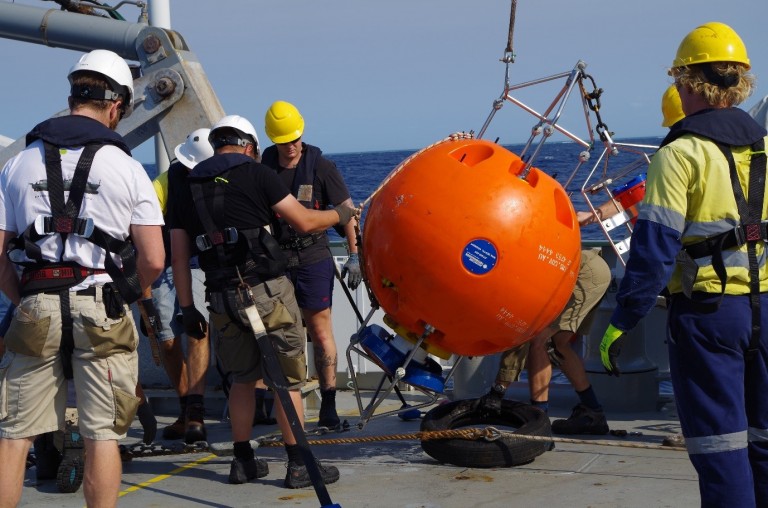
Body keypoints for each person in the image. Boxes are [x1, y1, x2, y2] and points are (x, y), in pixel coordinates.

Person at [599, 22, 768, 506]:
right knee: (764, 444)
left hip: (710, 319)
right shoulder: (766, 148)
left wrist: (623, 321)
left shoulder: (678, 156)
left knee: (722, 449)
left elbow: (653, 252)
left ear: (689, 83)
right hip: (767, 310)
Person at [0, 49, 164, 507]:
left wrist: (24, 295)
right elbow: (154, 258)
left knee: (15, 436)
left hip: (35, 303)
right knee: (102, 436)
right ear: (116, 105)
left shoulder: (18, 164)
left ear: (73, 94)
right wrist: (122, 296)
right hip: (101, 303)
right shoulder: (129, 169)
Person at [167, 114, 356, 488]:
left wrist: (188, 309)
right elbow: (302, 221)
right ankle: (298, 465)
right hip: (267, 292)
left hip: (220, 298)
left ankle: (243, 463)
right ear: (251, 147)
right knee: (286, 381)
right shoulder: (258, 174)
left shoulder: (187, 184)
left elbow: (177, 256)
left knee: (242, 380)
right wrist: (341, 213)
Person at [261, 101, 361, 429]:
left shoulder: (322, 167)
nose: (290, 147)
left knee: (319, 331)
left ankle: (329, 401)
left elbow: (347, 212)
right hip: (278, 260)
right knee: (279, 333)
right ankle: (285, 399)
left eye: (295, 139)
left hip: (313, 258)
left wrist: (355, 254)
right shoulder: (265, 166)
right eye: (283, 141)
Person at [486, 208, 613, 435]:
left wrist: (498, 391)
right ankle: (592, 411)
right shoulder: (521, 249)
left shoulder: (516, 268)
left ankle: (539, 422)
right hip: (593, 267)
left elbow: (521, 332)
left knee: (539, 340)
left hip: (584, 274)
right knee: (557, 344)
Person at [148, 128, 214, 443]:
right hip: (163, 265)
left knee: (198, 331)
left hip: (200, 263)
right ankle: (185, 407)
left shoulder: (220, 179)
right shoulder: (164, 182)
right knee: (168, 340)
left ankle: (196, 414)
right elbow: (141, 220)